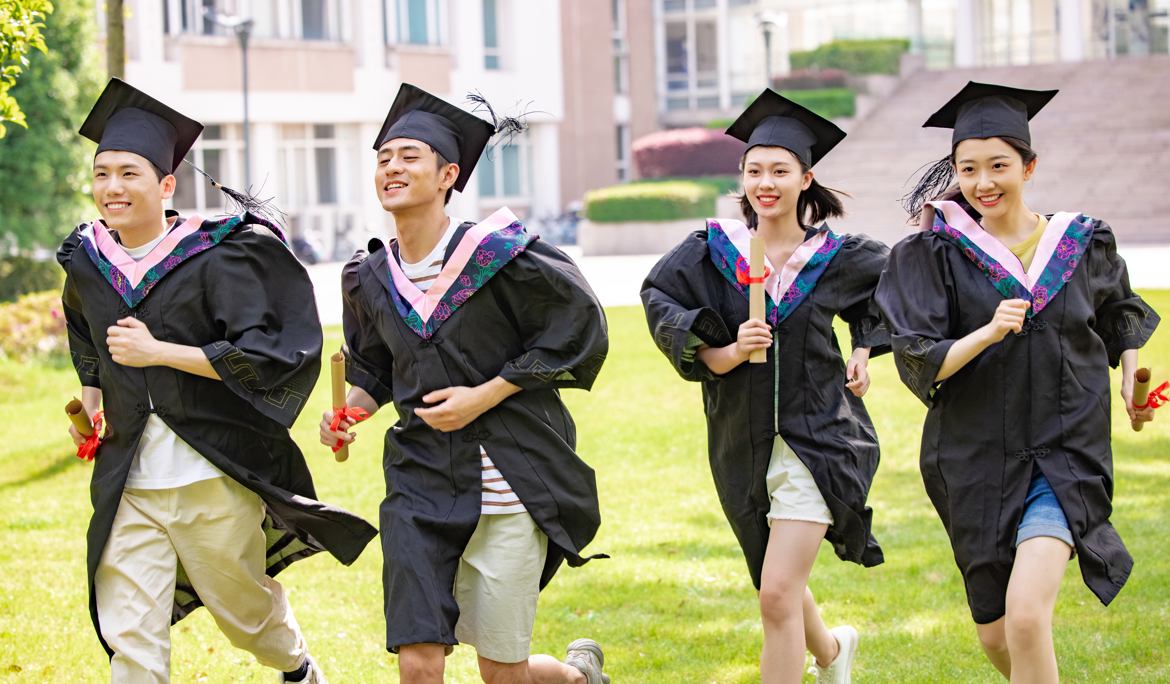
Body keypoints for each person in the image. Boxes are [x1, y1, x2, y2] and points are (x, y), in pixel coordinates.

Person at [59, 78, 377, 684]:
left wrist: (160, 352)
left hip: (210, 467)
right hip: (128, 473)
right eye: (102, 174)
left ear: (166, 184)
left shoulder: (218, 254)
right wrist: (94, 399)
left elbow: (269, 353)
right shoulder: (88, 259)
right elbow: (86, 331)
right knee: (130, 635)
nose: (112, 188)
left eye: (129, 173)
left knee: (244, 615)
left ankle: (298, 668)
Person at [320, 83, 611, 684]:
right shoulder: (369, 277)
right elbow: (373, 368)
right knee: (419, 662)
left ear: (448, 173)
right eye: (383, 159)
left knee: (501, 673)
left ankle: (576, 677)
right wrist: (350, 411)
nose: (392, 168)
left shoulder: (503, 259)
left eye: (409, 156)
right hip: (420, 481)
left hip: (507, 480)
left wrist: (487, 392)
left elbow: (577, 328)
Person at [876, 81, 1159, 684]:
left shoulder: (1080, 242)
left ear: (1029, 166)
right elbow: (918, 357)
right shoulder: (934, 255)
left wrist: (1133, 374)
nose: (984, 183)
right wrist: (984, 333)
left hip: (1064, 451)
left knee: (1028, 618)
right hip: (974, 459)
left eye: (999, 165)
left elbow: (1117, 315)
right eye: (968, 168)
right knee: (997, 633)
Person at [641, 89, 890, 684]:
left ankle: (821, 658)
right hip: (740, 441)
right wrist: (726, 352)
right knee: (774, 575)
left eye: (780, 170)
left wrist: (862, 346)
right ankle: (832, 654)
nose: (765, 183)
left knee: (776, 594)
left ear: (807, 178)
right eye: (755, 171)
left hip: (819, 438)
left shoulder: (837, 256)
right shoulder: (712, 251)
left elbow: (893, 296)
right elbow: (658, 299)